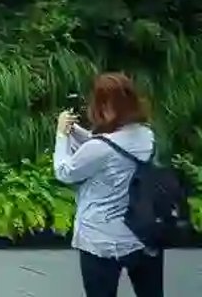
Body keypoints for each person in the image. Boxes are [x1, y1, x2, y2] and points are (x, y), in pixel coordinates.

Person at [55, 72, 163, 297]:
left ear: (104, 105)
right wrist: (75, 132)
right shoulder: (146, 135)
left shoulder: (100, 148)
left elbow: (65, 172)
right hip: (143, 235)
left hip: (101, 242)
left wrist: (62, 135)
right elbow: (111, 150)